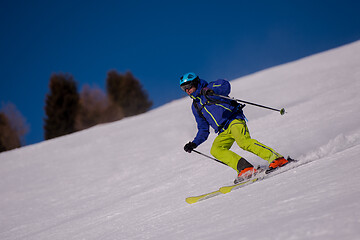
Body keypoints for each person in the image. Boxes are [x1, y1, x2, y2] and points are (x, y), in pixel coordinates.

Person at [180, 72, 289, 183]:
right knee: (216, 150)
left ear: (195, 82)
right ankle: (246, 169)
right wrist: (194, 143)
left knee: (244, 142)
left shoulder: (210, 87)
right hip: (223, 130)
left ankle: (277, 159)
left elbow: (225, 85)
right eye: (184, 88)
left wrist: (210, 90)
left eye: (188, 86)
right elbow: (203, 129)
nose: (187, 90)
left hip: (233, 119)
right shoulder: (195, 106)